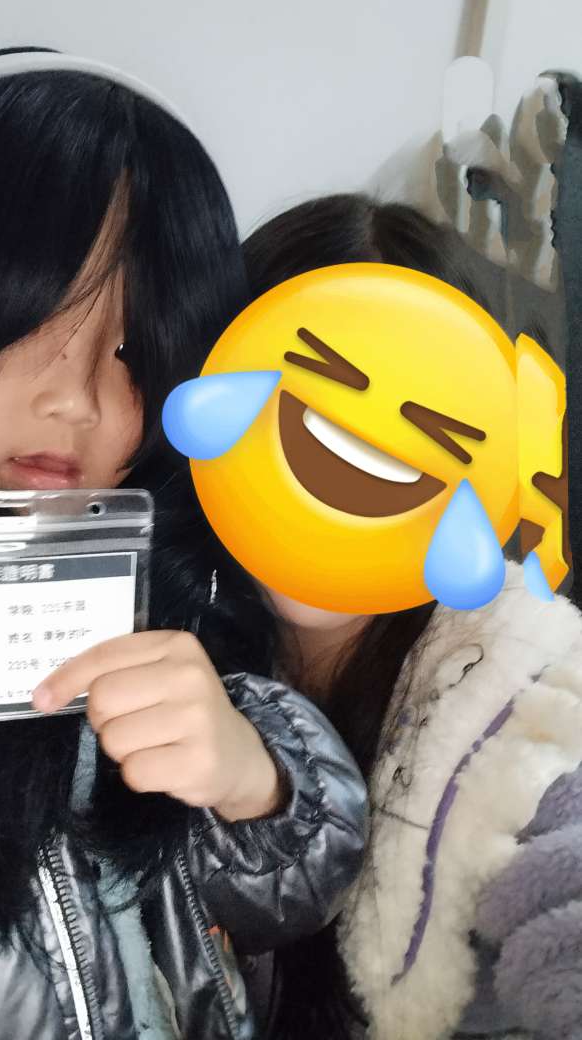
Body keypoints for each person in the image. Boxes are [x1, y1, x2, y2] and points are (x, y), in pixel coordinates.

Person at [0, 52, 367, 1039]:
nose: (75, 401)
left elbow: (299, 891)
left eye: (134, 351)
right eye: (22, 322)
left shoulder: (177, 596)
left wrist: (254, 783)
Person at [238, 194, 582, 1039]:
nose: (356, 469)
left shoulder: (516, 688)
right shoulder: (165, 629)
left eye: (419, 431)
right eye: (316, 415)